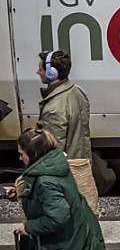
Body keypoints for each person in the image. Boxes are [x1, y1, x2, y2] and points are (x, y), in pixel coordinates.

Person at [12, 124, 104, 250]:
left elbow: (57, 217)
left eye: (22, 154)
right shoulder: (55, 164)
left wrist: (29, 227)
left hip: (68, 244)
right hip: (79, 233)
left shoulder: (45, 181)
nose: (20, 158)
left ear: (33, 154)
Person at [36, 49, 99, 216]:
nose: (38, 72)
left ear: (51, 72)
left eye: (41, 69)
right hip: (81, 161)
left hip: (67, 174)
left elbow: (52, 151)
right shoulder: (77, 91)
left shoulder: (55, 107)